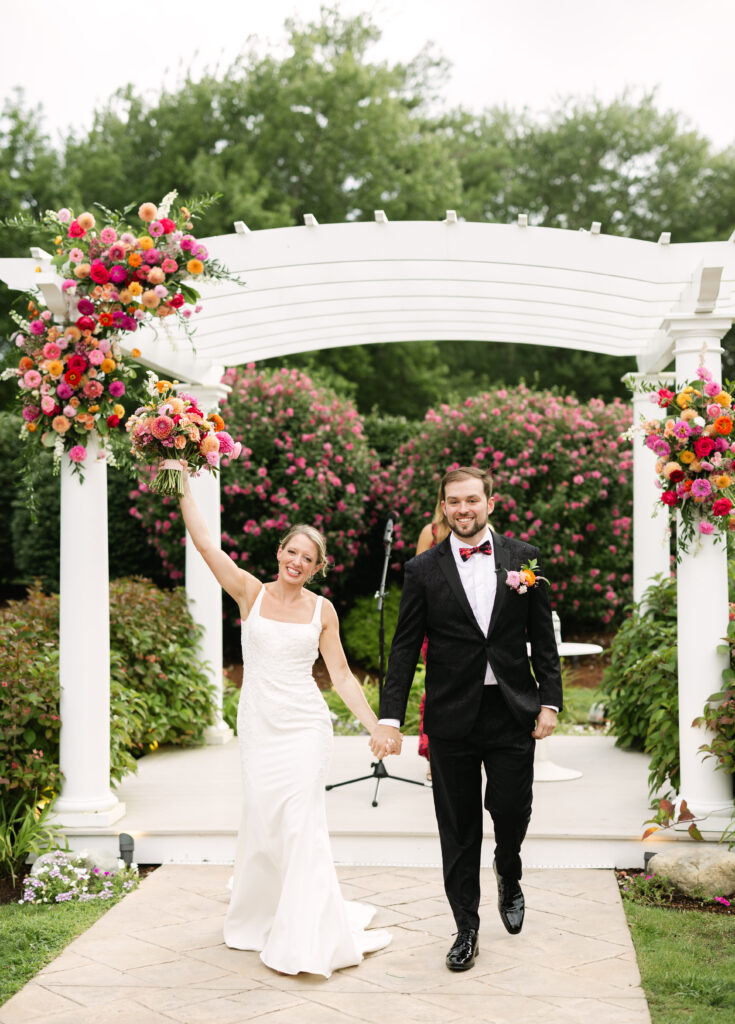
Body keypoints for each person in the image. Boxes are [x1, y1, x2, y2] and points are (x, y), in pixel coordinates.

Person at [178, 470, 391, 977]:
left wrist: (375, 726)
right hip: (259, 726)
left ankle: (306, 933)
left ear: (317, 568)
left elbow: (340, 675)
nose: (297, 562)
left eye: (308, 558)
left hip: (304, 728)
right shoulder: (250, 594)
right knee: (263, 819)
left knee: (300, 824)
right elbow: (207, 545)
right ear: (279, 553)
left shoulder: (323, 611)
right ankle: (264, 913)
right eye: (292, 552)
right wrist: (180, 481)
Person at [371, 466, 562, 972]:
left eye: (472, 500)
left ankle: (509, 868)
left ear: (490, 502)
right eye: (453, 502)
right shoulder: (422, 569)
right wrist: (390, 717)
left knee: (512, 811)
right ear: (443, 507)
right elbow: (405, 648)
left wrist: (550, 702)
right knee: (457, 829)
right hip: (451, 717)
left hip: (511, 710)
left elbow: (543, 639)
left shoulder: (525, 558)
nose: (463, 509)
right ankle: (466, 928)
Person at [415, 496, 451, 779]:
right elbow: (417, 577)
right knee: (439, 688)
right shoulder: (432, 532)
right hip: (435, 625)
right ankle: (434, 756)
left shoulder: (485, 533)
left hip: (472, 627)